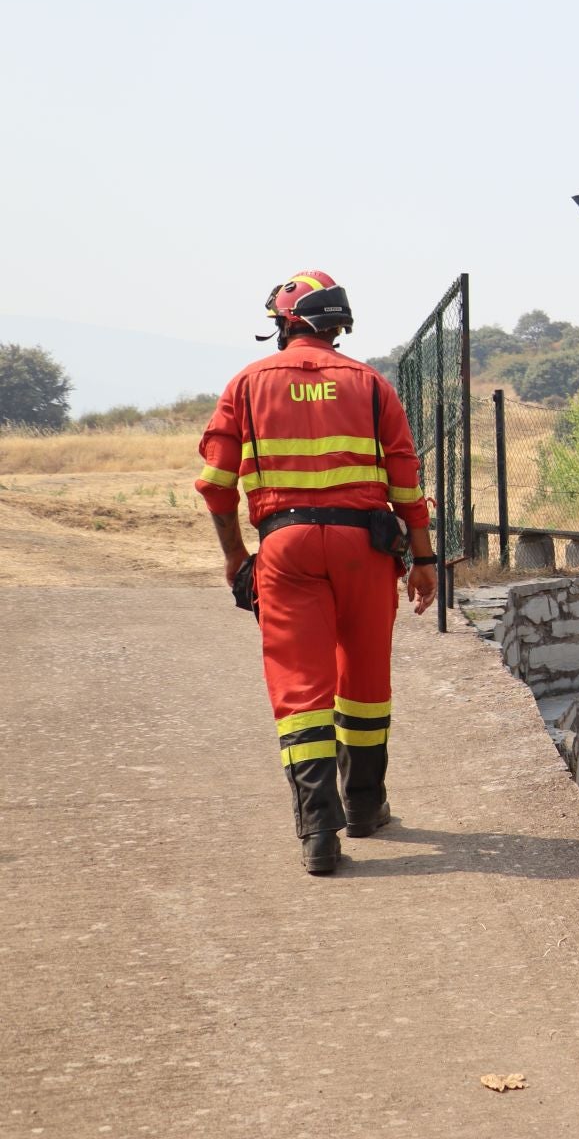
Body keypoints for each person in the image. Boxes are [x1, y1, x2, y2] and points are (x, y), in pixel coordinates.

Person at [195, 271, 438, 875]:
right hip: (366, 548)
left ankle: (319, 834)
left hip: (286, 548)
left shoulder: (247, 385)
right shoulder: (371, 384)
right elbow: (406, 478)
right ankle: (363, 806)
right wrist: (425, 558)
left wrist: (234, 558)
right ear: (338, 326)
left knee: (301, 689)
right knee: (364, 676)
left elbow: (217, 485)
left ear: (284, 323)